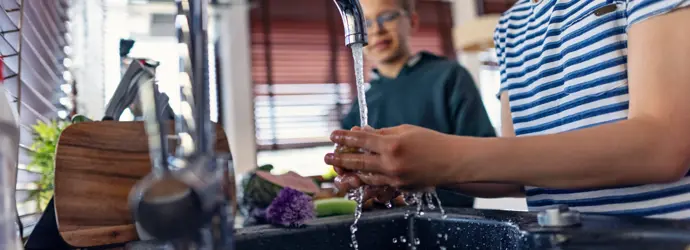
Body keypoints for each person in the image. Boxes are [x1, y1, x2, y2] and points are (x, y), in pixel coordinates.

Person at [326, 0, 690, 219]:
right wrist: (416, 170)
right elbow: (518, 172)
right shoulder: (511, 27)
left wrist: (448, 157)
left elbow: (663, 146)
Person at [339, 0, 496, 208]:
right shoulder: (361, 103)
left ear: (412, 21)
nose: (377, 30)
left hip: (449, 221)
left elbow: (488, 161)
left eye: (387, 17)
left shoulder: (449, 77)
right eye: (365, 23)